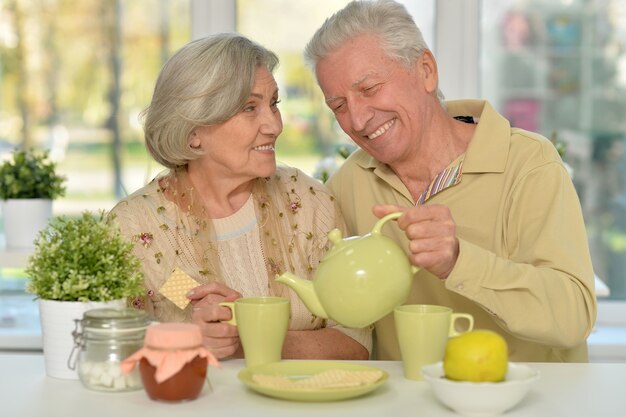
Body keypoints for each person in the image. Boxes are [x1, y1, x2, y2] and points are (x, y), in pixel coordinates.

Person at [304, 0, 596, 362]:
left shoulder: (528, 163)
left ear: (426, 70)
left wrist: (459, 261)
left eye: (369, 89)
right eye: (339, 106)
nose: (358, 119)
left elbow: (574, 317)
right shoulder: (347, 184)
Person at [110, 33, 370, 360]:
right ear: (193, 134)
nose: (274, 125)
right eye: (249, 107)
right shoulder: (136, 230)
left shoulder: (308, 204)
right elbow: (113, 349)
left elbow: (356, 343)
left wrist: (250, 339)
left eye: (273, 103)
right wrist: (185, 339)